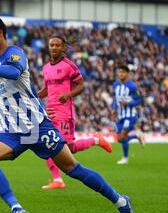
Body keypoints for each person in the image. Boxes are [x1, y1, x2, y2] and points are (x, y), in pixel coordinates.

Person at [0, 14, 136, 213]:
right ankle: (16, 207)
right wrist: (40, 105)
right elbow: (27, 90)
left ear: (0, 33)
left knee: (73, 169)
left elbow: (15, 74)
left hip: (37, 128)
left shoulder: (15, 54)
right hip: (12, 131)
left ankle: (121, 202)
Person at [37, 35, 112, 189]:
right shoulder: (46, 68)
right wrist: (33, 97)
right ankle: (57, 180)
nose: (54, 48)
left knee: (68, 149)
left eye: (57, 45)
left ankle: (96, 140)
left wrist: (69, 95)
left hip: (65, 112)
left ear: (63, 48)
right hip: (50, 112)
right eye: (52, 45)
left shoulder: (68, 66)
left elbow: (81, 85)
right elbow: (46, 89)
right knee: (47, 144)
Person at [112, 66, 144, 165]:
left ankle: (125, 158)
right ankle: (136, 136)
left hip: (130, 115)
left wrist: (127, 103)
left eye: (123, 72)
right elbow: (115, 99)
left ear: (127, 73)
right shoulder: (115, 85)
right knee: (120, 139)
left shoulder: (132, 86)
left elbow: (139, 100)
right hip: (120, 115)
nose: (120, 74)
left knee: (123, 135)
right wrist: (114, 109)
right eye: (119, 72)